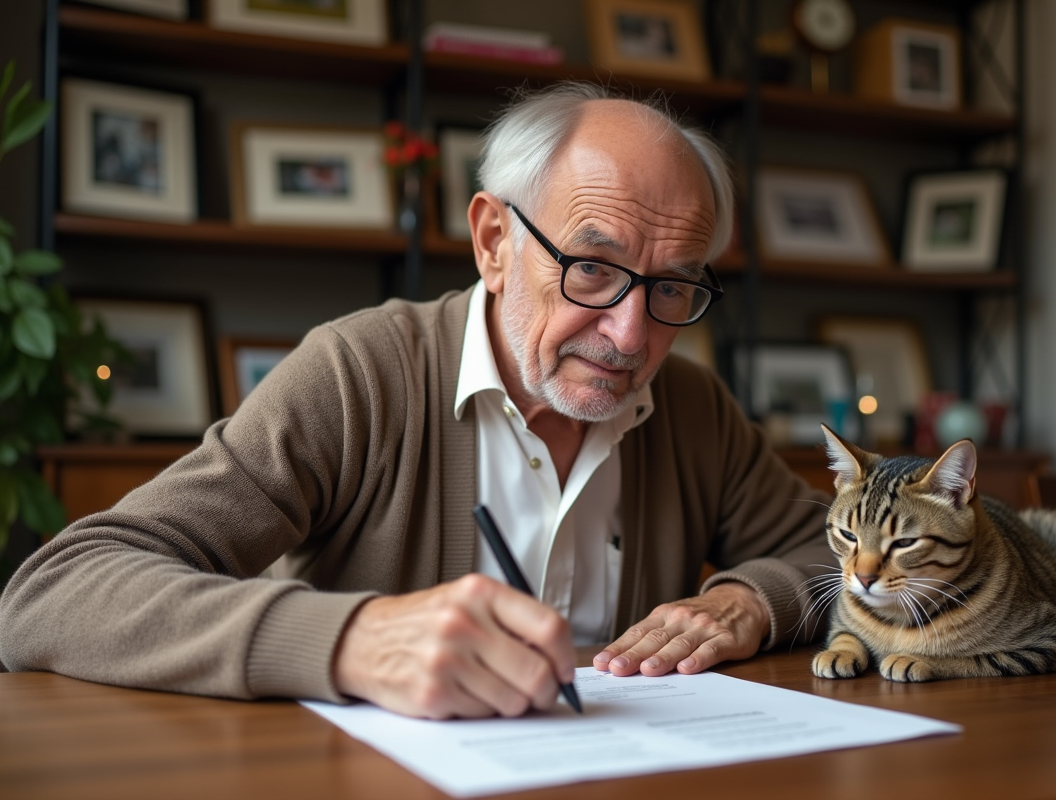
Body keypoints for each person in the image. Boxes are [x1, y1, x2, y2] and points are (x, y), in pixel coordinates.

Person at [0, 83, 833, 719]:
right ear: (494, 242)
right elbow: (52, 594)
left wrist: (750, 600)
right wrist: (351, 641)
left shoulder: (690, 404)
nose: (627, 336)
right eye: (592, 268)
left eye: (673, 286)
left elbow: (838, 555)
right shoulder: (358, 375)